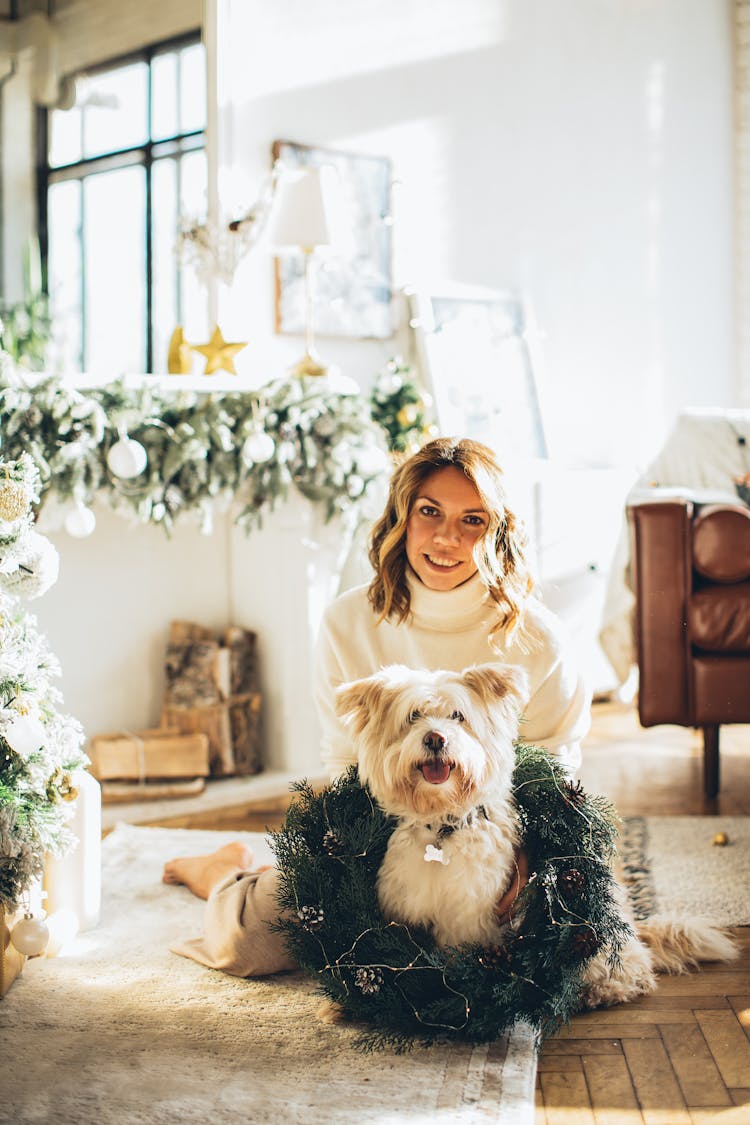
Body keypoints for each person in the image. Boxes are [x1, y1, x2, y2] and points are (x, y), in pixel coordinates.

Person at [163, 436, 591, 977]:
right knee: (249, 943)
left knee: (544, 952)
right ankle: (223, 872)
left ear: (498, 531)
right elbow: (344, 758)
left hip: (497, 836)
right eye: (429, 512)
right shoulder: (348, 622)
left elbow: (554, 772)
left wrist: (524, 864)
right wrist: (361, 862)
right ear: (401, 517)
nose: (445, 538)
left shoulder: (538, 639)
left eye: (472, 521)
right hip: (378, 826)